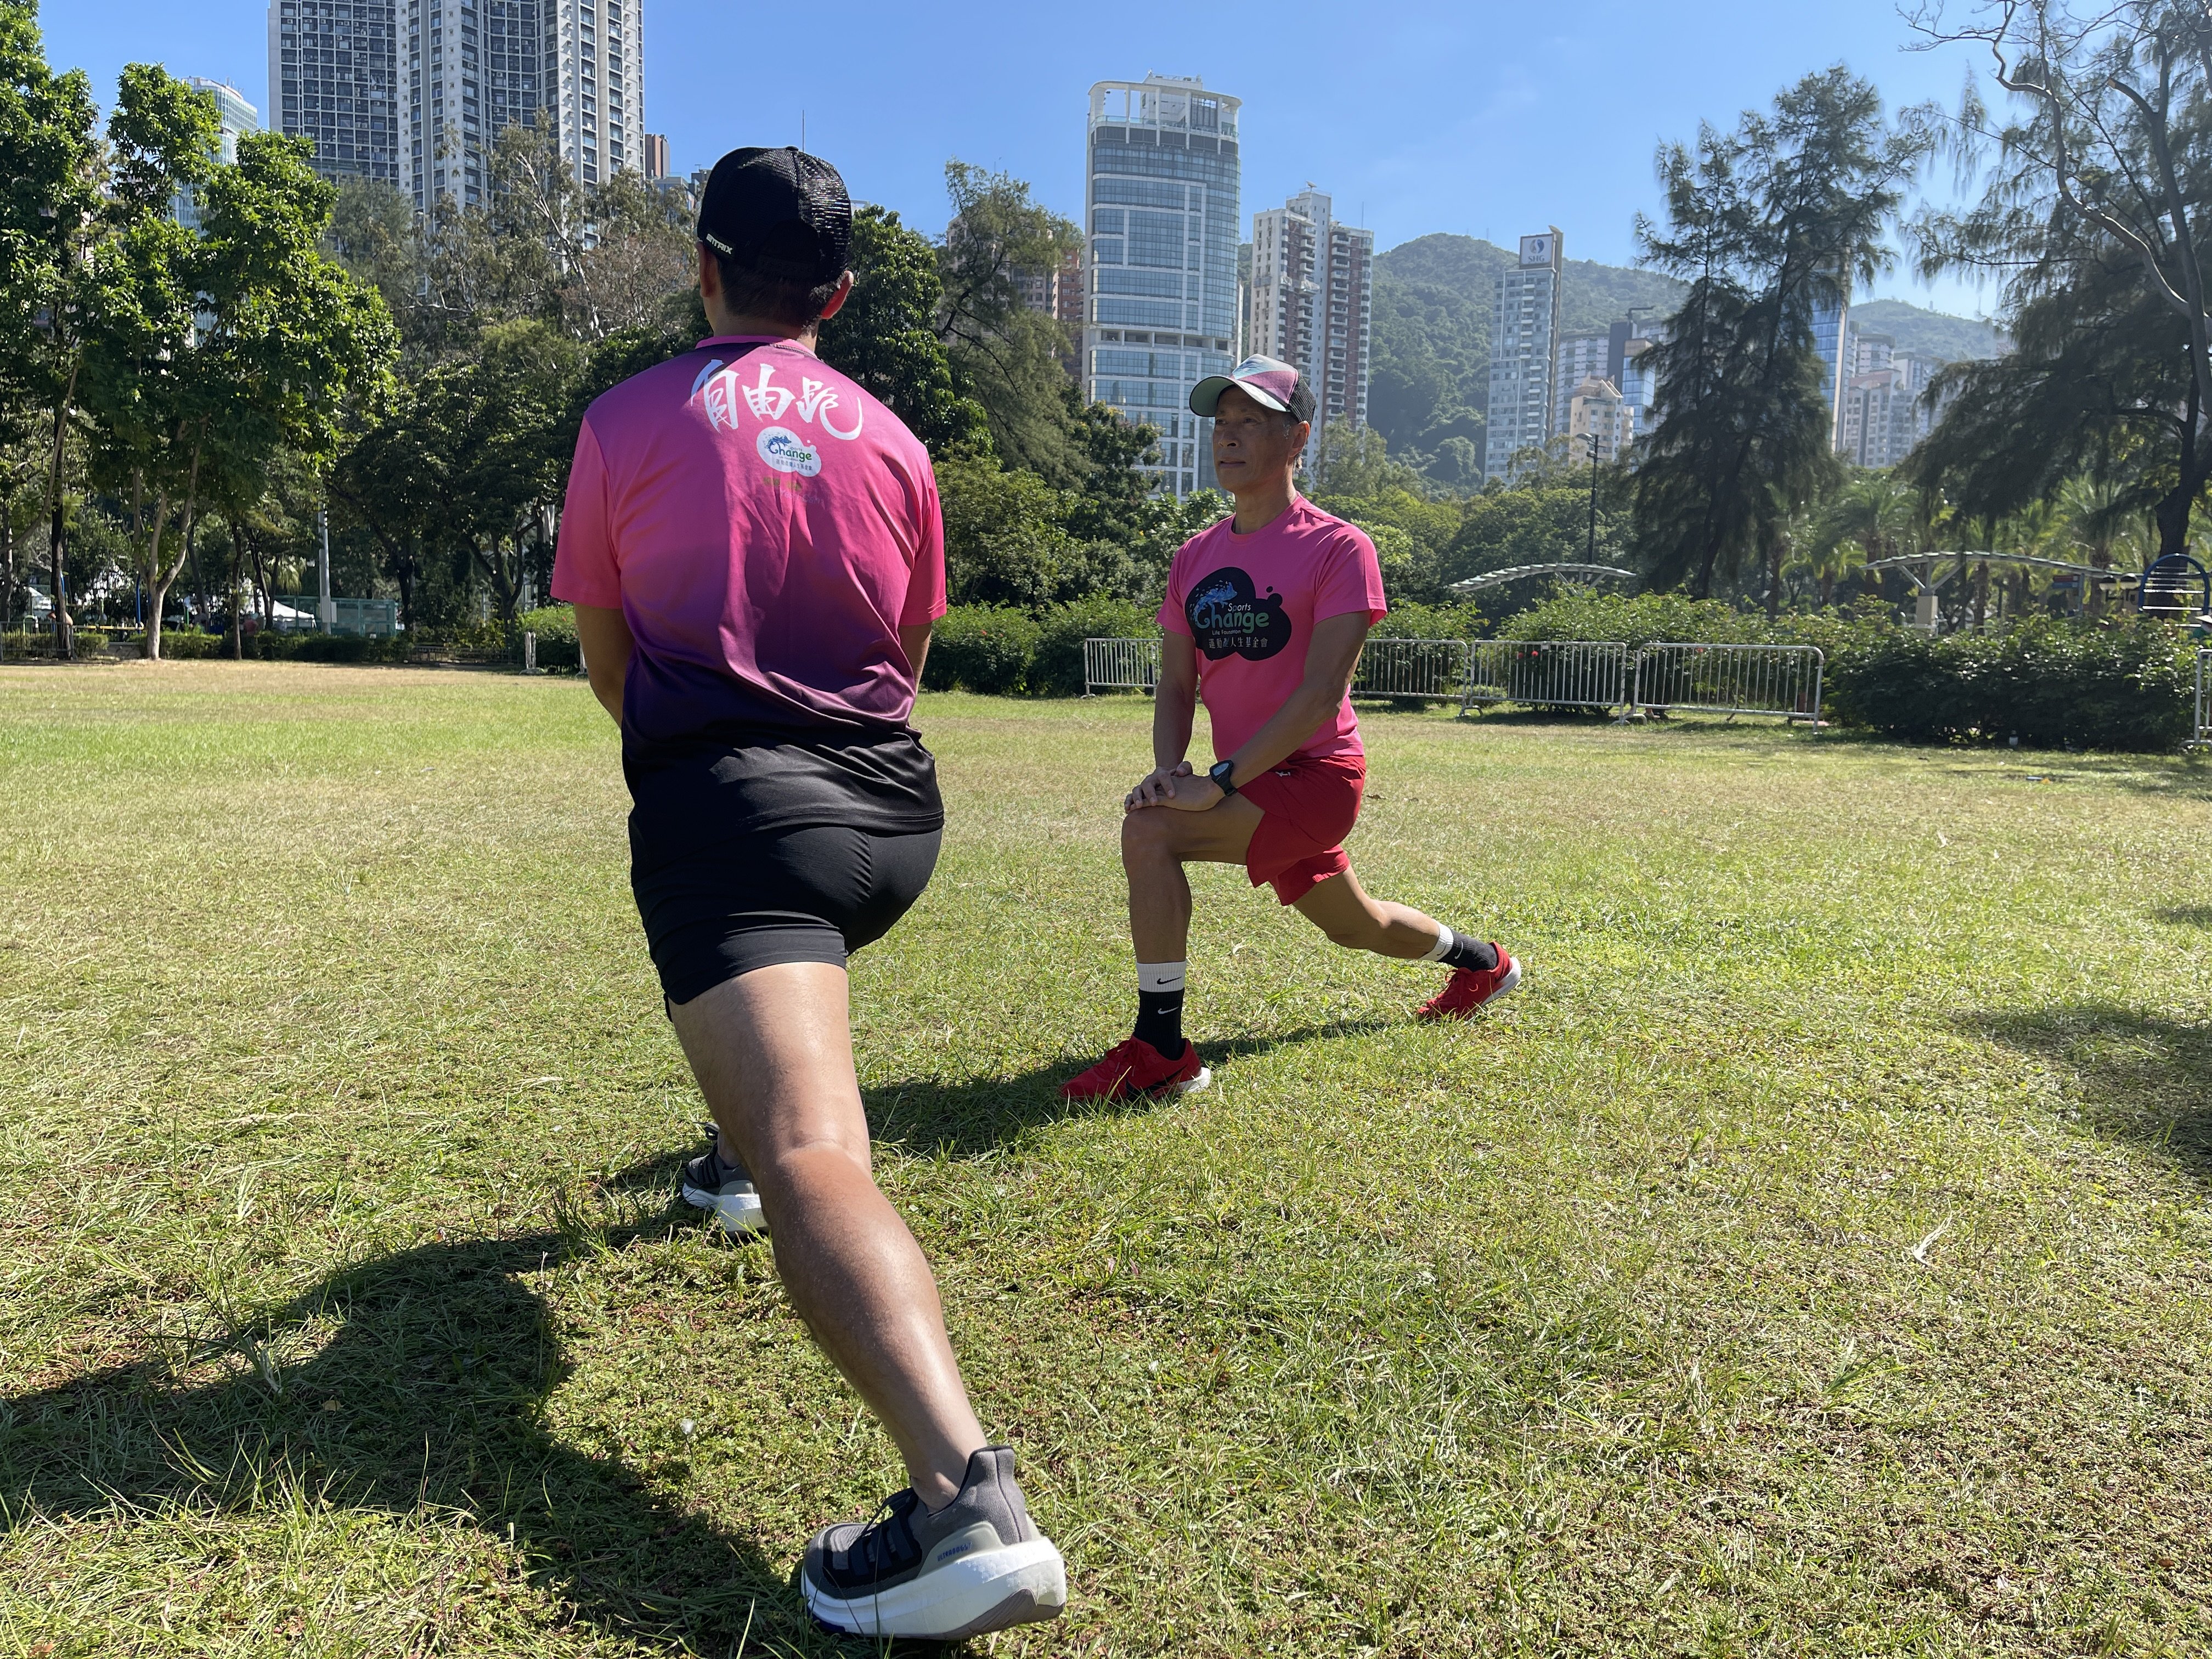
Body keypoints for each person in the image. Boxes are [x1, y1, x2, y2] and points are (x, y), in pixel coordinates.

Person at [552, 146, 1066, 1641]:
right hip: (895, 816)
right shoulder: (898, 440)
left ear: (700, 265)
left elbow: (606, 653)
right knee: (775, 1059)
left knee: (811, 1148)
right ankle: (719, 1164)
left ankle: (963, 1500)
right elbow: (904, 653)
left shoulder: (629, 416)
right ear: (836, 294)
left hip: (741, 806)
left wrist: (705, 779)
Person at [1061, 356, 1521, 1102]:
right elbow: (1177, 684)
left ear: (1297, 438)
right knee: (1358, 926)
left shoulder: (1340, 548)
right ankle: (1484, 964)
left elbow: (1318, 696)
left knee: (1150, 832)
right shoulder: (1195, 557)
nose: (1229, 438)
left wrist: (1215, 783)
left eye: (1251, 423)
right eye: (1221, 424)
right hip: (1245, 777)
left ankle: (1161, 1050)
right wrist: (1172, 769)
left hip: (1314, 778)